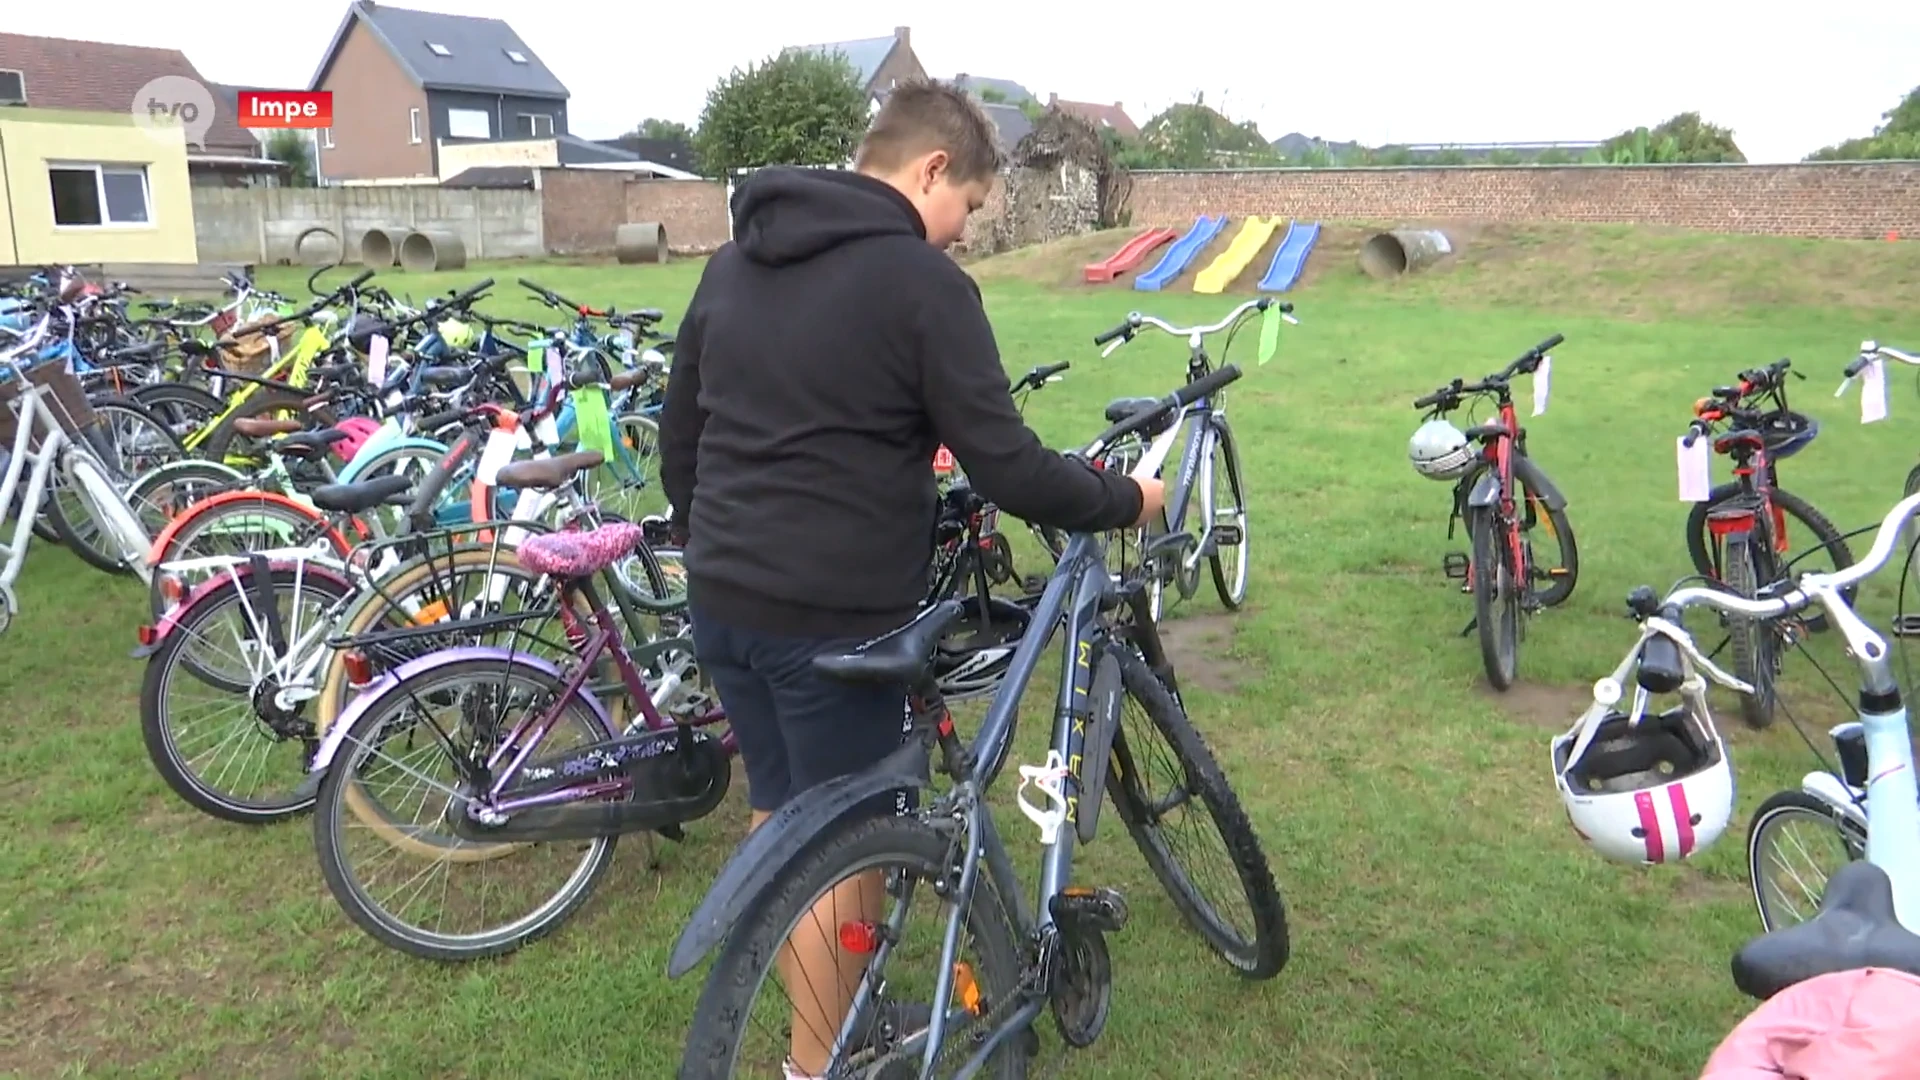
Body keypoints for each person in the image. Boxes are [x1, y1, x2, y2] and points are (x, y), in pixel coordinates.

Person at [659, 78, 1163, 1079]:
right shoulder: (922, 285)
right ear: (931, 169)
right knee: (838, 853)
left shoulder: (733, 262)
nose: (964, 233)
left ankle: (819, 1002)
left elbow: (684, 436)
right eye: (967, 207)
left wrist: (712, 538)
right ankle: (820, 1065)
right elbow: (1006, 465)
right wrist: (1124, 501)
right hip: (832, 623)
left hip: (724, 600)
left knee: (780, 813)